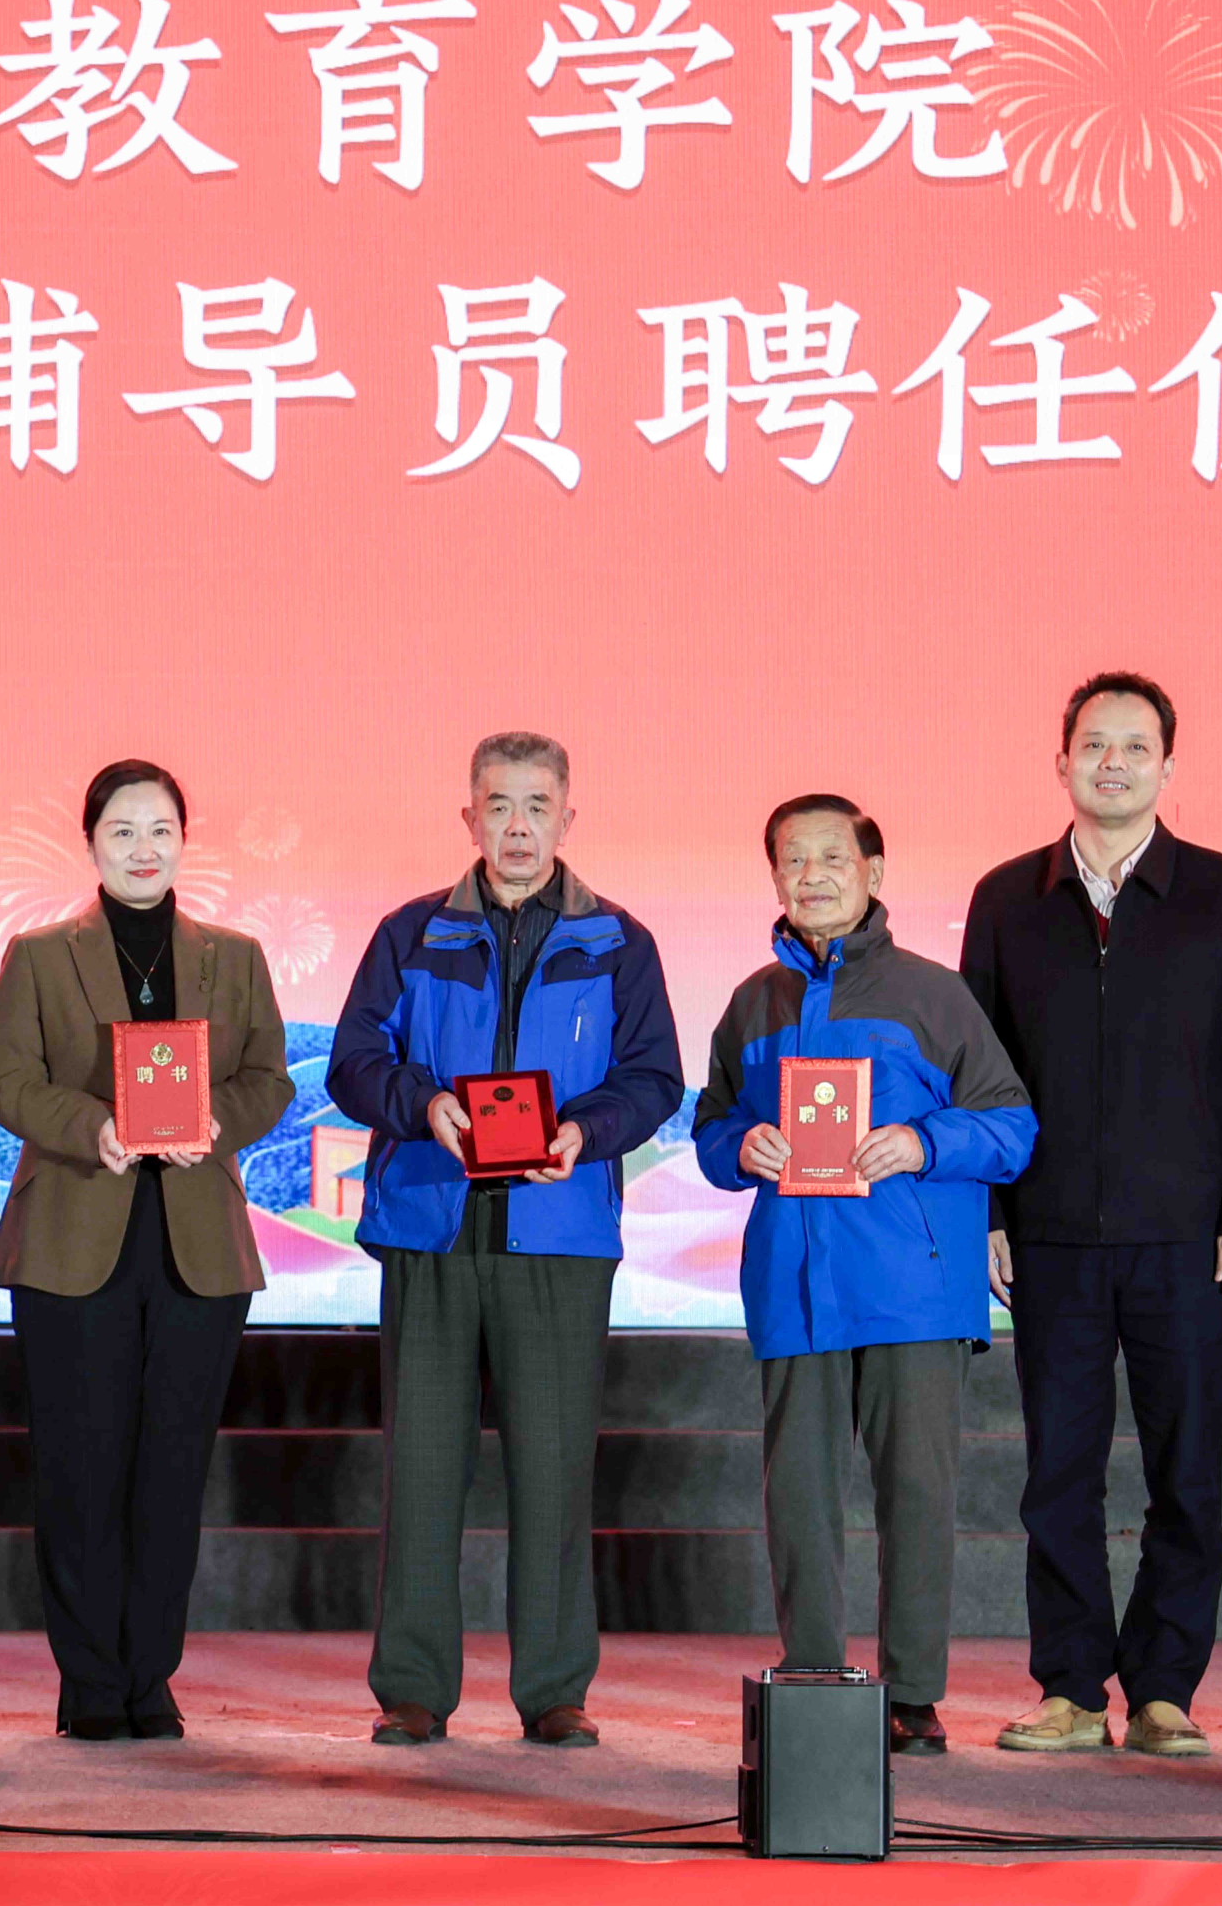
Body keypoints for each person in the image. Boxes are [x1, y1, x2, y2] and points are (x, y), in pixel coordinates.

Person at [327, 730, 682, 1747]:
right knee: (422, 1470)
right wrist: (421, 1104)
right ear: (468, 817)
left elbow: (652, 1077)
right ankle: (411, 1688)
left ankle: (555, 1690)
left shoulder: (618, 941)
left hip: (558, 1239)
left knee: (554, 1470)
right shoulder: (411, 933)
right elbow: (353, 1061)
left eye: (535, 805)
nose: (517, 825)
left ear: (567, 817)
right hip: (431, 1231)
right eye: (498, 805)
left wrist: (585, 1132)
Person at [961, 671, 1222, 1757]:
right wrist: (989, 1211)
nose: (1112, 762)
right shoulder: (1007, 899)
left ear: (1167, 765)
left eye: (1134, 746)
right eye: (1093, 744)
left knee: (1184, 1471)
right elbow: (976, 1077)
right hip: (1049, 1234)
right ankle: (1067, 1686)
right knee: (1056, 1471)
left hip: (1186, 1236)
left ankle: (1163, 1688)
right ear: (1059, 761)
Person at [691, 796, 1036, 1758]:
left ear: (874, 872)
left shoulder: (934, 993)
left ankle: (913, 1694)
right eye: (792, 860)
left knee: (916, 1494)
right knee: (799, 1496)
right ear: (774, 878)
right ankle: (811, 1677)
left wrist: (923, 1143)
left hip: (913, 1286)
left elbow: (1012, 1124)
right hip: (796, 1282)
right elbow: (712, 1125)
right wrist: (740, 1145)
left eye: (831, 857)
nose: (812, 875)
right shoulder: (752, 1002)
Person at [0, 761, 295, 1740]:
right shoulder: (39, 955)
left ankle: (149, 1675)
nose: (143, 848)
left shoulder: (234, 957)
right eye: (122, 830)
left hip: (198, 1247)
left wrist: (212, 1120)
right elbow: (8, 1083)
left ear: (184, 841)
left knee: (171, 1467)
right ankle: (88, 1679)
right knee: (79, 1467)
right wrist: (95, 1127)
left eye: (160, 829)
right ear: (90, 842)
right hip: (73, 1236)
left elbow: (270, 1078)